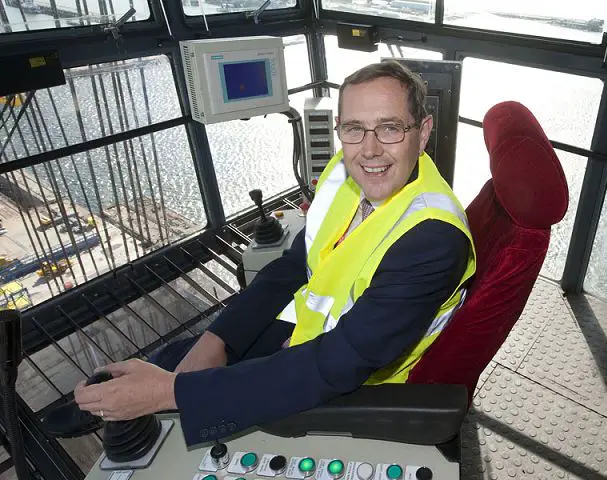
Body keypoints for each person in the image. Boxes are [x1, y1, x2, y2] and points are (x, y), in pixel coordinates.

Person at [74, 60, 476, 447]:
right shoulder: (343, 173)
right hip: (301, 334)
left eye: (389, 128)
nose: (369, 150)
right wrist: (218, 338)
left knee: (171, 395)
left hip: (352, 383)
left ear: (422, 133)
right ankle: (98, 400)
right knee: (178, 355)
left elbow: (340, 363)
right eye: (354, 129)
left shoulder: (432, 239)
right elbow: (292, 267)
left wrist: (173, 393)